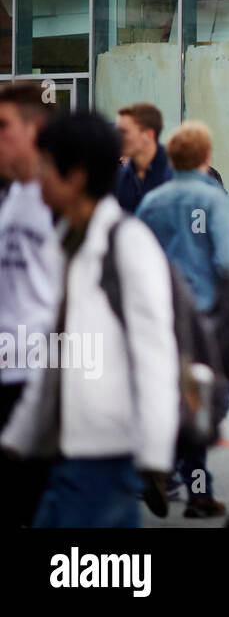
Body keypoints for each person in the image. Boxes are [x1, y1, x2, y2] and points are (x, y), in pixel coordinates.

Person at [1, 112, 179, 528]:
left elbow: (156, 353)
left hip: (105, 455)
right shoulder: (66, 244)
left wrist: (153, 456)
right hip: (70, 451)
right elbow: (53, 359)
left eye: (46, 166)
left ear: (76, 176)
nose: (37, 177)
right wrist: (20, 437)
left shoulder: (126, 244)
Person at [136, 121, 229, 519]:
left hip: (162, 312)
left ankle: (174, 471)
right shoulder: (212, 197)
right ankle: (192, 486)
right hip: (204, 316)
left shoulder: (153, 201)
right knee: (210, 398)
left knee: (176, 394)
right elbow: (228, 259)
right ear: (205, 156)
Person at [0, 84, 59, 527]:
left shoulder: (61, 197)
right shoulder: (12, 195)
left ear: (35, 130)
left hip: (37, 377)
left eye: (4, 128)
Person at [114, 103, 174, 214]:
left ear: (148, 135)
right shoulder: (119, 179)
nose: (118, 138)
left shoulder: (176, 175)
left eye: (123, 132)